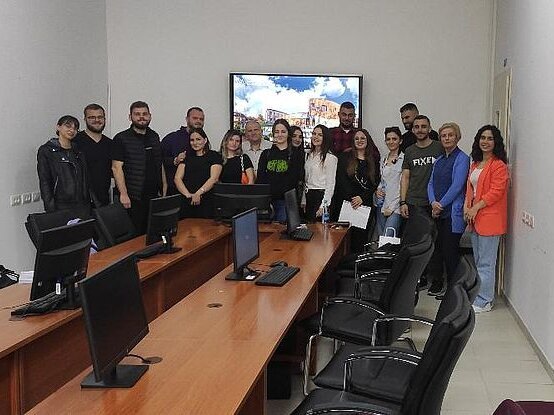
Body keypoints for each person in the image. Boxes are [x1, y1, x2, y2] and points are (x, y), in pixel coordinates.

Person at [464, 125, 509, 313]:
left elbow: (495, 192)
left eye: (490, 138)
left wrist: (475, 207)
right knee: (478, 261)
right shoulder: (475, 164)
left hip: (490, 220)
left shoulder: (499, 165)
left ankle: (485, 301)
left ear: (495, 142)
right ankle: (479, 296)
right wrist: (467, 207)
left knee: (486, 264)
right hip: (475, 220)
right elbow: (470, 189)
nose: (485, 141)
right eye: (483, 137)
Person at [427, 123, 470, 297]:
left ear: (457, 137)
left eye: (450, 135)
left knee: (450, 251)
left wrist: (440, 205)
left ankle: (454, 290)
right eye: (443, 135)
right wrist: (433, 202)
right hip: (438, 212)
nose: (447, 138)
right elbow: (430, 183)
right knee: (439, 250)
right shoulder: (439, 160)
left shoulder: (462, 158)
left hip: (453, 213)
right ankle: (446, 286)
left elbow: (457, 186)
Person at [112, 101, 166, 234]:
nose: (141, 117)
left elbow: (159, 163)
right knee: (135, 235)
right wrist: (124, 194)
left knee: (153, 233)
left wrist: (164, 187)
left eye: (144, 114)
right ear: (130, 117)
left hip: (154, 195)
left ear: (150, 116)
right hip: (133, 196)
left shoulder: (154, 136)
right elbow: (116, 168)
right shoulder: (121, 138)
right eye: (137, 114)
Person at [333, 129, 378, 252]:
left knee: (360, 242)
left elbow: (374, 184)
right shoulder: (344, 158)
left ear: (368, 141)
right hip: (347, 205)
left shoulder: (373, 160)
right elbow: (341, 181)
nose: (359, 141)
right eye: (356, 138)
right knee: (344, 242)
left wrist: (362, 198)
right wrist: (353, 199)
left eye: (362, 138)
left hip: (364, 206)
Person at [37, 115, 91, 212]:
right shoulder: (47, 151)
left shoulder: (78, 151)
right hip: (60, 204)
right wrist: (50, 206)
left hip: (82, 203)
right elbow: (45, 180)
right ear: (58, 127)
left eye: (75, 128)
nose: (72, 130)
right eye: (68, 126)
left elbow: (85, 177)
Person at [256, 119, 304, 222]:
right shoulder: (266, 154)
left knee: (281, 229)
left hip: (285, 202)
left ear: (288, 134)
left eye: (283, 131)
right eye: (277, 132)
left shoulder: (295, 154)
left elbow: (293, 180)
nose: (280, 135)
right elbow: (261, 178)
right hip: (267, 202)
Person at [174, 128, 222, 218]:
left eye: (198, 139)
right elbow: (177, 178)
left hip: (207, 201)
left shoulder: (214, 156)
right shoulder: (186, 157)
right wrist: (188, 195)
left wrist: (198, 193)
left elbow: (214, 178)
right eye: (192, 140)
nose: (195, 143)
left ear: (205, 140)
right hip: (187, 200)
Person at [73, 103, 112, 206]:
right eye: (92, 117)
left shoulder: (110, 143)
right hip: (79, 201)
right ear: (85, 119)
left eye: (100, 117)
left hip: (103, 199)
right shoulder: (75, 142)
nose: (97, 120)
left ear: (104, 119)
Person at [161, 107, 205, 194]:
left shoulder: (204, 141)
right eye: (195, 118)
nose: (198, 121)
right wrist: (175, 160)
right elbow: (159, 161)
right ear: (187, 119)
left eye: (201, 119)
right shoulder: (172, 138)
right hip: (175, 191)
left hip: (198, 191)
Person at [302, 125, 337, 222]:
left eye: (320, 135)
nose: (316, 137)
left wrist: (323, 206)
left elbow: (330, 185)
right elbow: (306, 180)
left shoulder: (330, 158)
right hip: (309, 196)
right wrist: (304, 200)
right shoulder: (308, 155)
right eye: (314, 134)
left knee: (319, 229)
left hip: (321, 197)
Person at [375, 126, 404, 237]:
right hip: (382, 204)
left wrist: (392, 207)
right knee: (381, 238)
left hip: (396, 206)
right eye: (388, 139)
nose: (391, 142)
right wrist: (378, 190)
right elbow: (382, 180)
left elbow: (403, 185)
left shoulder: (404, 159)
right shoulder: (383, 159)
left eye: (394, 139)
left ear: (400, 141)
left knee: (388, 237)